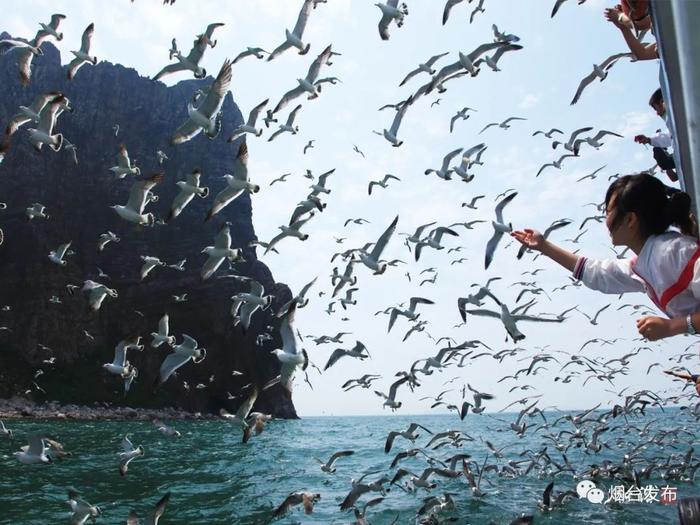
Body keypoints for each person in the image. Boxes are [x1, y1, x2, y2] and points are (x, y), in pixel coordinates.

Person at [511, 173, 699, 343]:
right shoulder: (646, 263)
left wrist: (672, 327)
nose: (606, 220)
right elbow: (598, 274)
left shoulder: (674, 253)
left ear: (630, 220)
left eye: (608, 211)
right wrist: (543, 246)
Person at [634, 88, 677, 183]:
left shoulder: (678, 115)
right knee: (665, 162)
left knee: (665, 162)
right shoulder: (673, 122)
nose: (657, 114)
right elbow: (670, 137)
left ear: (662, 101)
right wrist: (649, 140)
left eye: (655, 108)